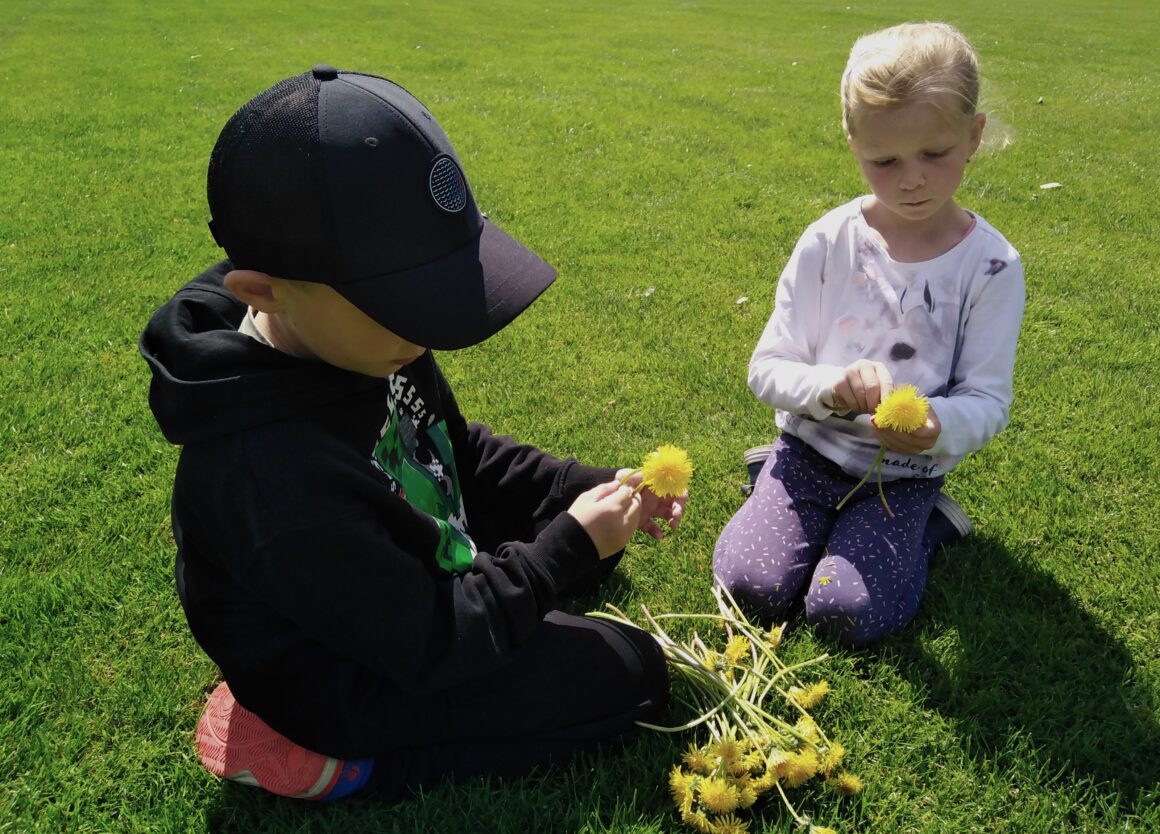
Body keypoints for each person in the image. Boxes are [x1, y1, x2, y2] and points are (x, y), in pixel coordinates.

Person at [139, 66, 684, 802]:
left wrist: (575, 491)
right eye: (403, 302)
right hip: (351, 679)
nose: (431, 328)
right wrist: (564, 547)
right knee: (631, 673)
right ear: (265, 292)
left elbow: (454, 449)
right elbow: (435, 643)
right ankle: (324, 761)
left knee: (591, 558)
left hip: (392, 585)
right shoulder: (271, 476)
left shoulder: (360, 337)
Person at [713, 23, 1024, 646]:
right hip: (808, 452)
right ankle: (771, 477)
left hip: (903, 476)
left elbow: (988, 401)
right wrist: (830, 387)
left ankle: (929, 523)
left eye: (934, 153)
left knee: (844, 612)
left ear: (974, 135)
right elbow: (767, 367)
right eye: (886, 161)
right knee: (751, 587)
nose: (912, 179)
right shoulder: (829, 243)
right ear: (854, 146)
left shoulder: (991, 267)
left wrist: (936, 426)